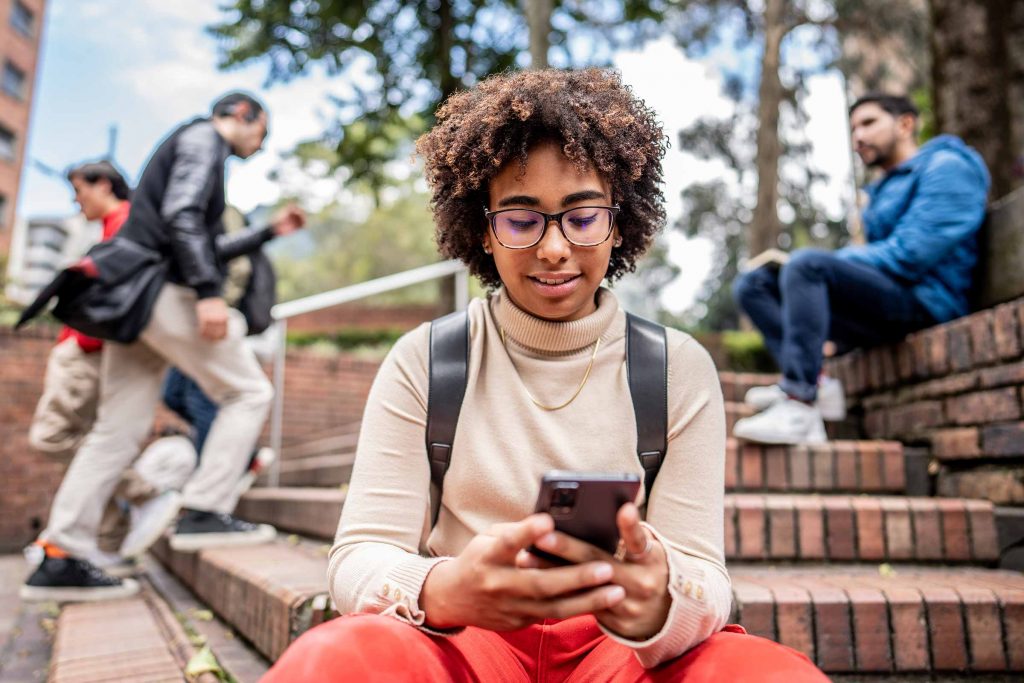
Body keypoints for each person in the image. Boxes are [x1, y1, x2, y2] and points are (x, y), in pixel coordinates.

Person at [263, 69, 828, 682]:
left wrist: (660, 597)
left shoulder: (677, 368)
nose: (555, 248)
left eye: (582, 217)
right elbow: (358, 555)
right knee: (336, 659)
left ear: (620, 221)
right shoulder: (424, 359)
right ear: (484, 228)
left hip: (621, 649)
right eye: (521, 218)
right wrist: (447, 587)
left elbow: (705, 576)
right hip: (464, 641)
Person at [21, 92, 305, 603]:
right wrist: (208, 294)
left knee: (115, 430)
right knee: (247, 394)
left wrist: (268, 232)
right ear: (245, 115)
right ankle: (202, 508)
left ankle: (61, 555)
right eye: (261, 135)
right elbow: (182, 218)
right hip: (161, 293)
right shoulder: (204, 139)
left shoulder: (187, 145)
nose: (258, 147)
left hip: (134, 302)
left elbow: (194, 233)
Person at [731, 93, 991, 445]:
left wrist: (834, 261)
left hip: (928, 304)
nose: (858, 137)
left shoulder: (947, 167)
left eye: (869, 123)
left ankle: (800, 405)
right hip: (890, 303)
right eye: (853, 128)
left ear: (905, 124)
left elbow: (910, 255)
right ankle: (815, 383)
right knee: (755, 284)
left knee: (807, 266)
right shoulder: (882, 190)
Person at [26, 160, 191, 575]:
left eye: (80, 190)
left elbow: (122, 296)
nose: (76, 200)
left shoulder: (125, 224)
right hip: (90, 349)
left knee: (55, 437)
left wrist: (85, 340)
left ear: (104, 184)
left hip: (89, 350)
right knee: (93, 440)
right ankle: (109, 535)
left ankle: (140, 496)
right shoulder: (115, 226)